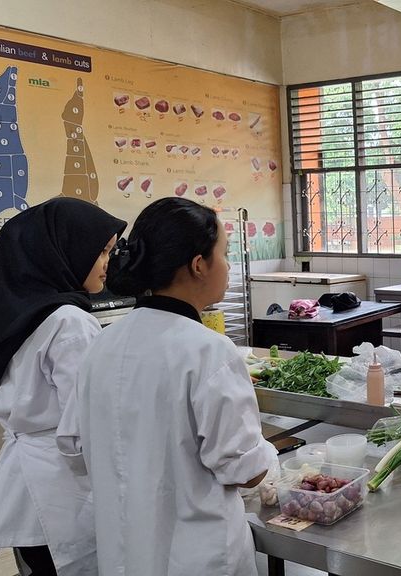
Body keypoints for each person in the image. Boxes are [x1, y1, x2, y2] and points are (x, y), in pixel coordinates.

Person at [75, 198, 274, 576]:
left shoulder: (103, 343)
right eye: (225, 254)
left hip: (125, 550)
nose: (229, 266)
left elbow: (80, 445)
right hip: (197, 554)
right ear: (199, 265)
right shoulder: (209, 352)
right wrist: (270, 455)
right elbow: (244, 471)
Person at [0, 198, 125, 576]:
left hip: (20, 485)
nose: (106, 263)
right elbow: (86, 423)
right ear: (63, 252)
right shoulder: (68, 321)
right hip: (65, 487)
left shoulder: (1, 318)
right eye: (100, 251)